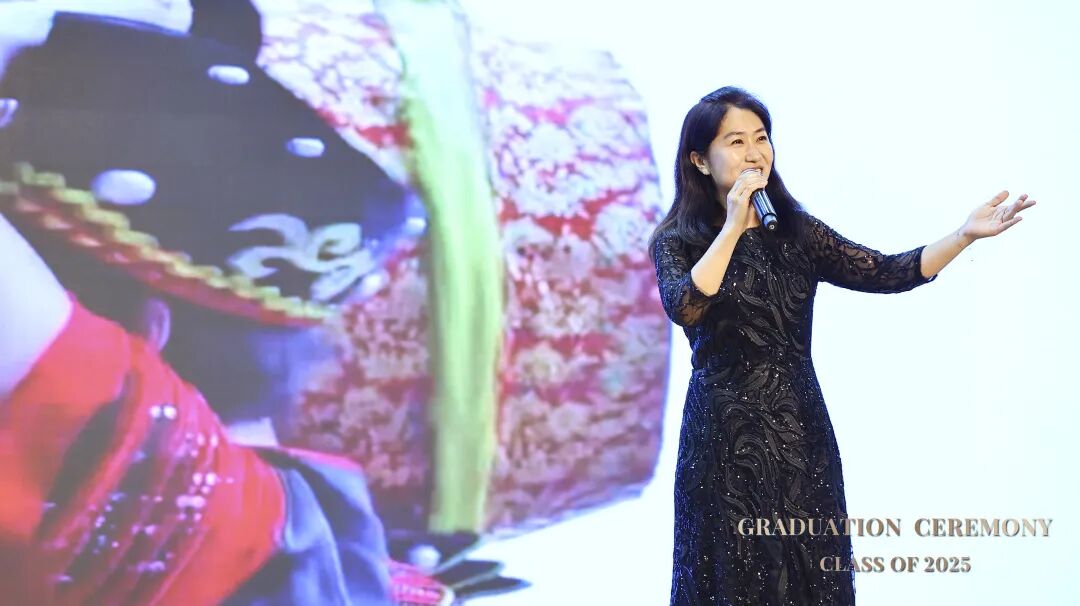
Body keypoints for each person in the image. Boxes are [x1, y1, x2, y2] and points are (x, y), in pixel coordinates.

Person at [651, 86, 1035, 606]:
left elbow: (886, 271)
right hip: (723, 438)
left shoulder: (795, 232)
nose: (754, 153)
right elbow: (686, 306)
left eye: (761, 138)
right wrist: (733, 226)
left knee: (810, 571)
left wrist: (963, 235)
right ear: (699, 159)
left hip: (800, 431)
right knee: (734, 576)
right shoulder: (678, 240)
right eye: (736, 142)